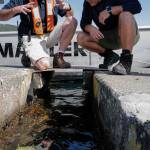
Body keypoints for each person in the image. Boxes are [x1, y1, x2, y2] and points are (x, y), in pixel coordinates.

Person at [2, 0, 77, 70]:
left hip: (49, 35)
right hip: (32, 37)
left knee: (72, 21)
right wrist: (14, 10)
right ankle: (28, 55)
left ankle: (59, 58)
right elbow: (1, 15)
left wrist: (66, 6)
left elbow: (70, 15)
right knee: (44, 65)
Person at [77, 0, 142, 75]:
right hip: (107, 37)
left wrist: (111, 10)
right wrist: (90, 28)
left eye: (91, 1)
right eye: (88, 1)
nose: (90, 4)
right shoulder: (87, 2)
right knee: (81, 37)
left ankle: (125, 61)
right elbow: (84, 23)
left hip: (127, 35)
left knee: (126, 14)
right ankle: (110, 56)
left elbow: (137, 6)